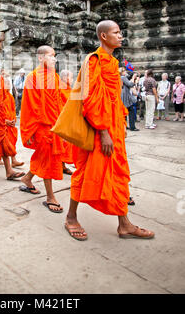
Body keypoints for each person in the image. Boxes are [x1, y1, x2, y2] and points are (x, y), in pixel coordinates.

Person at [65, 20, 155, 240]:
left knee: (117, 174)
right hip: (99, 130)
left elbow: (113, 99)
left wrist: (121, 123)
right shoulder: (93, 61)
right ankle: (70, 217)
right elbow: (90, 99)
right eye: (116, 32)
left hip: (113, 128)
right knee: (85, 172)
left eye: (120, 32)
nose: (121, 36)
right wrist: (104, 131)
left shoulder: (113, 62)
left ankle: (124, 224)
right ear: (104, 36)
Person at [19, 46, 66, 209]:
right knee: (48, 159)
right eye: (51, 56)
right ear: (40, 58)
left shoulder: (55, 76)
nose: (54, 59)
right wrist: (31, 129)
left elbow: (60, 100)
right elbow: (30, 107)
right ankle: (51, 197)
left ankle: (27, 178)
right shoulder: (32, 78)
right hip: (42, 126)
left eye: (55, 56)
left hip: (55, 124)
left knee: (45, 157)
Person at [4, 77, 24, 168]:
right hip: (3, 124)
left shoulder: (10, 97)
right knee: (6, 144)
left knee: (12, 142)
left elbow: (13, 109)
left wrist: (13, 120)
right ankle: (4, 159)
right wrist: (5, 121)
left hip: (11, 124)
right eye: (6, 84)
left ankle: (13, 160)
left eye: (9, 84)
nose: (8, 85)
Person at [59, 69, 75, 175]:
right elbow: (60, 107)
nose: (72, 80)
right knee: (62, 144)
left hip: (70, 121)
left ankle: (63, 165)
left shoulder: (68, 89)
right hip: (62, 121)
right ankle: (60, 165)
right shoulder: (60, 89)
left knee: (67, 145)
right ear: (64, 78)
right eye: (71, 77)